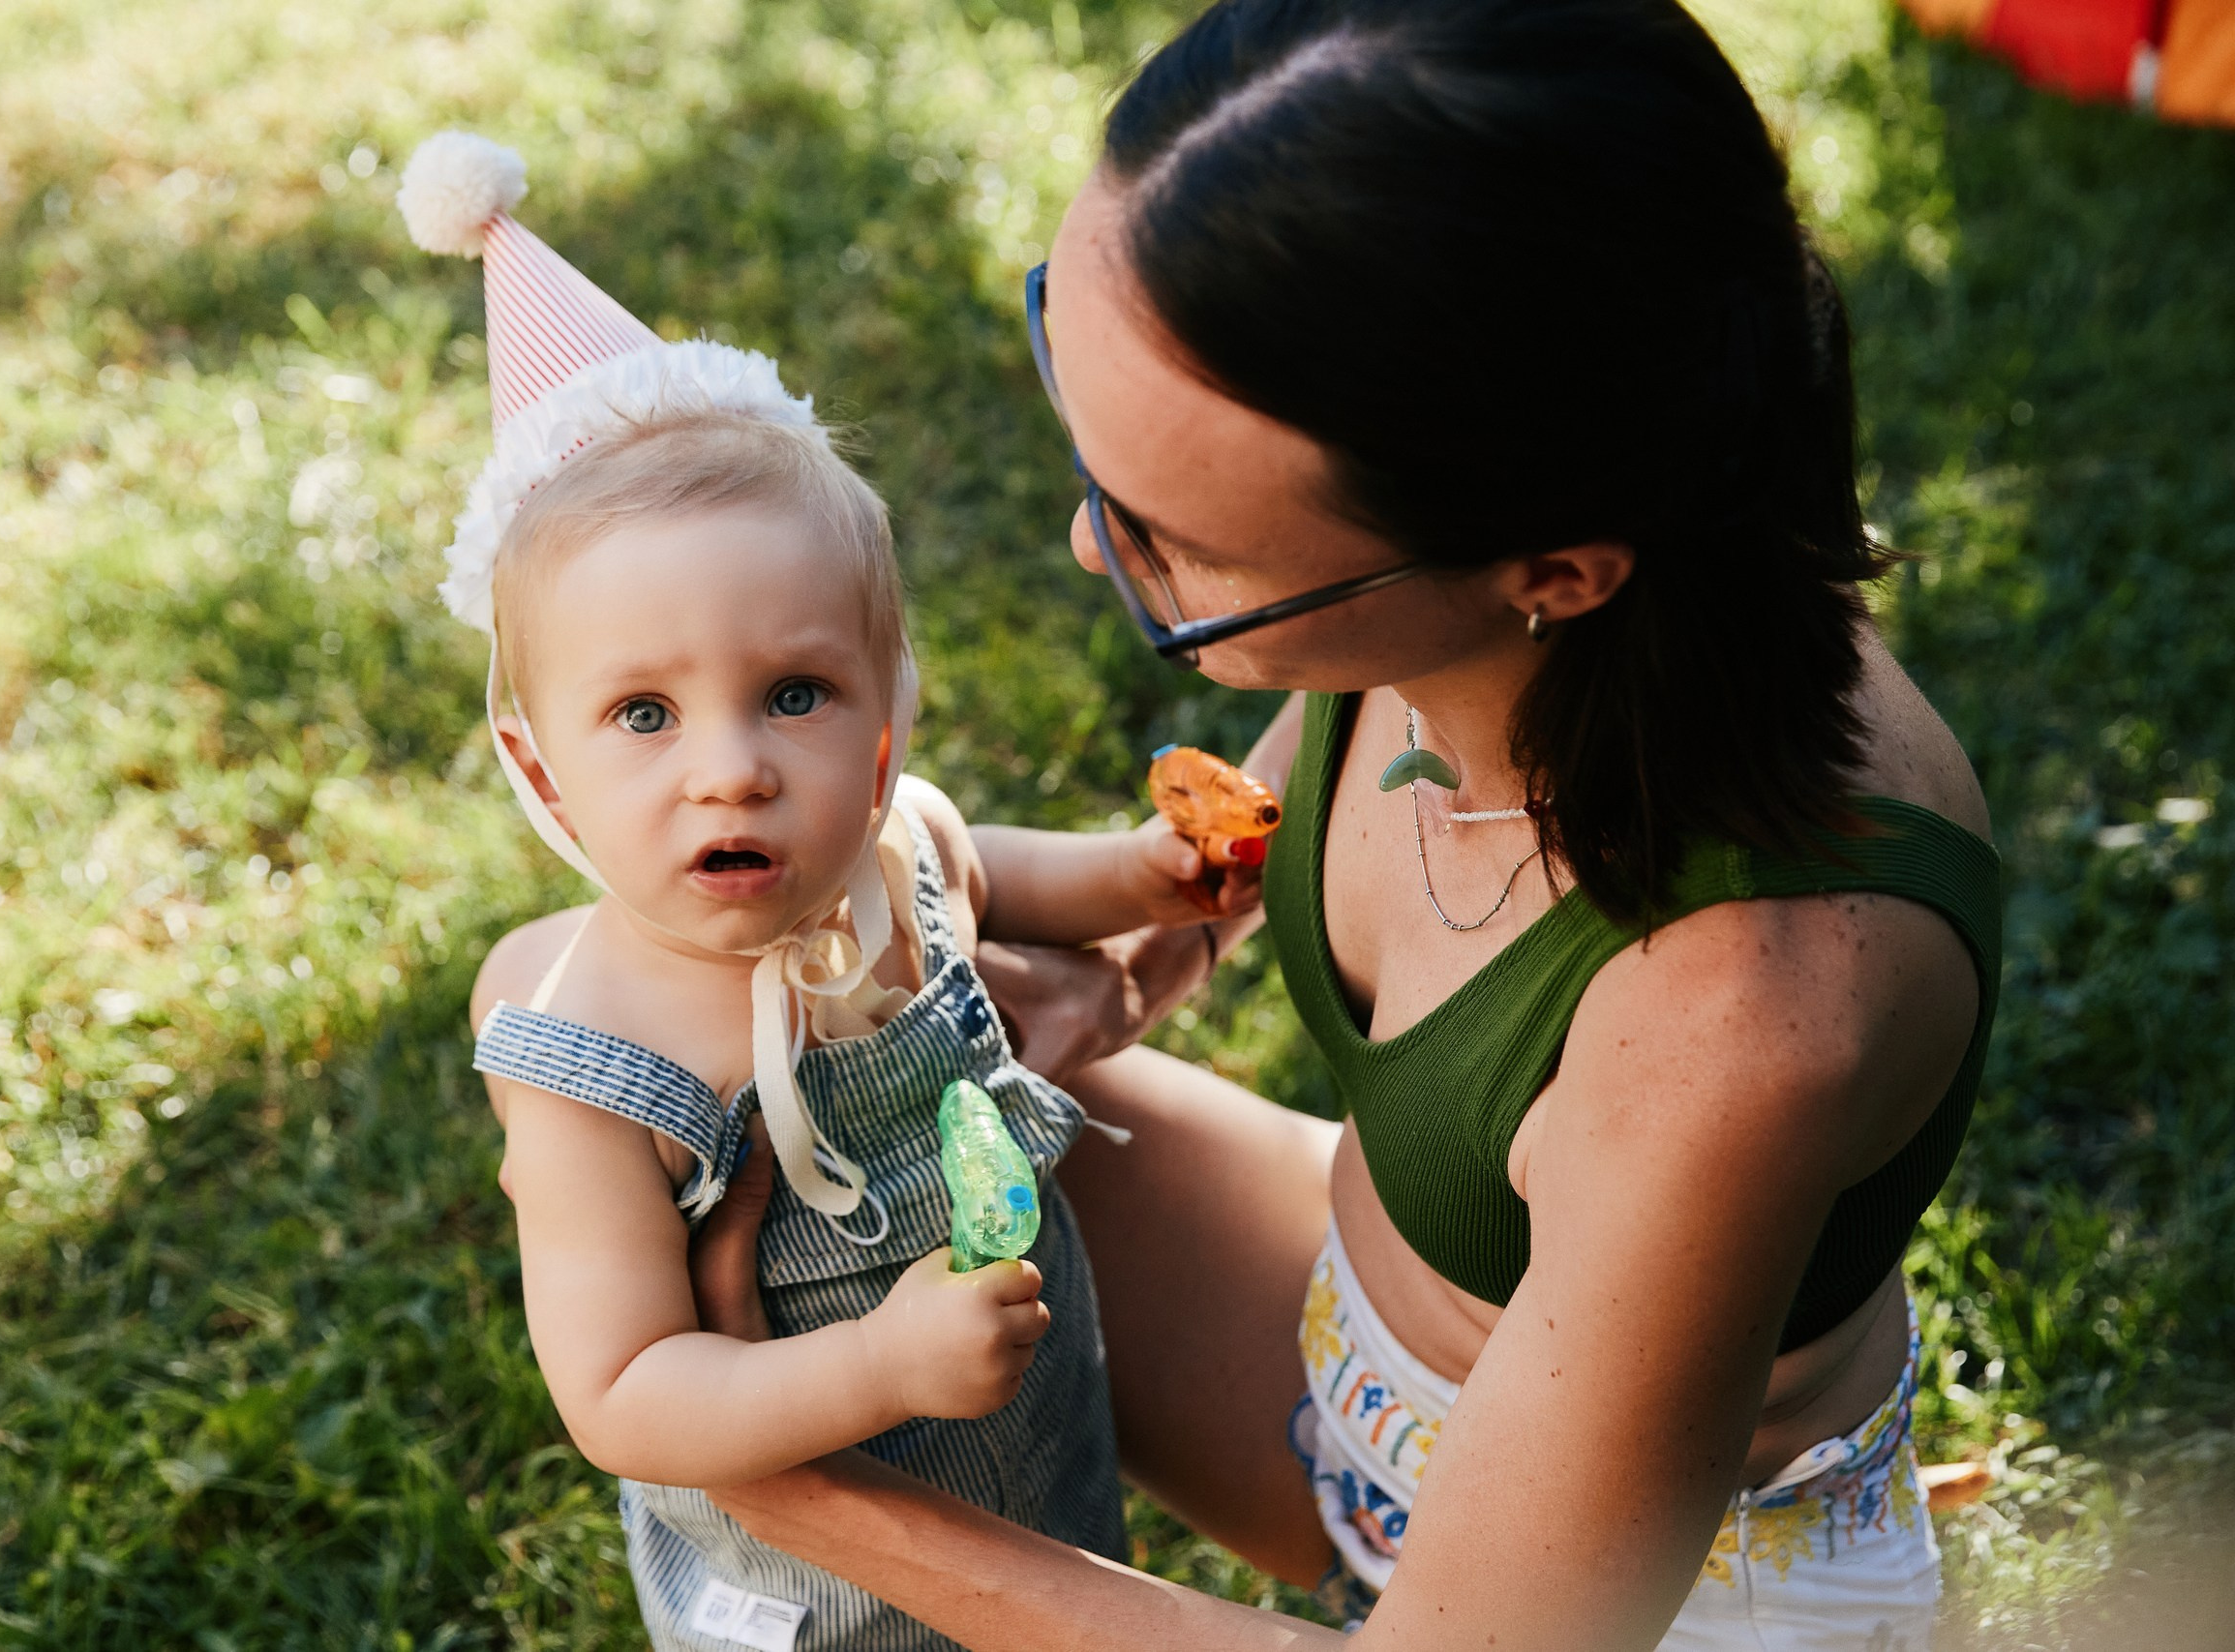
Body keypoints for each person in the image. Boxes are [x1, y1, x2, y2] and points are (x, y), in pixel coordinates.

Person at [679, 2, 2003, 1648]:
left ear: (1553, 571)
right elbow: (1282, 790)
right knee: (766, 1133)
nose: (1095, 550)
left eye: (1178, 544)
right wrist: (1150, 945)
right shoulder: (1485, 623)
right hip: (1364, 1375)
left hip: (1662, 1603)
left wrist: (784, 1484)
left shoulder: (1739, 1018)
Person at [394, 133, 1243, 1649]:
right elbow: (625, 1390)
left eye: (793, 693)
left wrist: (1137, 873)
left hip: (1032, 1467)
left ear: (884, 713)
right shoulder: (598, 1069)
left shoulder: (892, 843)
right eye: (644, 716)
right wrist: (882, 1372)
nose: (731, 769)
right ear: (539, 769)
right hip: (821, 1592)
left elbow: (988, 872)